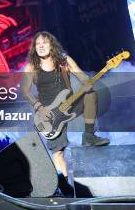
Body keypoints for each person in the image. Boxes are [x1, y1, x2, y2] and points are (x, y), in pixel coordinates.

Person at [21, 31, 109, 179]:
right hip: (49, 115)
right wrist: (40, 108)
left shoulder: (64, 60)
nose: (41, 46)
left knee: (91, 94)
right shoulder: (31, 67)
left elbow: (81, 75)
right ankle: (64, 184)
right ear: (34, 48)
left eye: (45, 43)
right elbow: (25, 91)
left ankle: (89, 135)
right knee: (58, 151)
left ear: (52, 45)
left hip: (70, 103)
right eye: (38, 44)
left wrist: (89, 80)